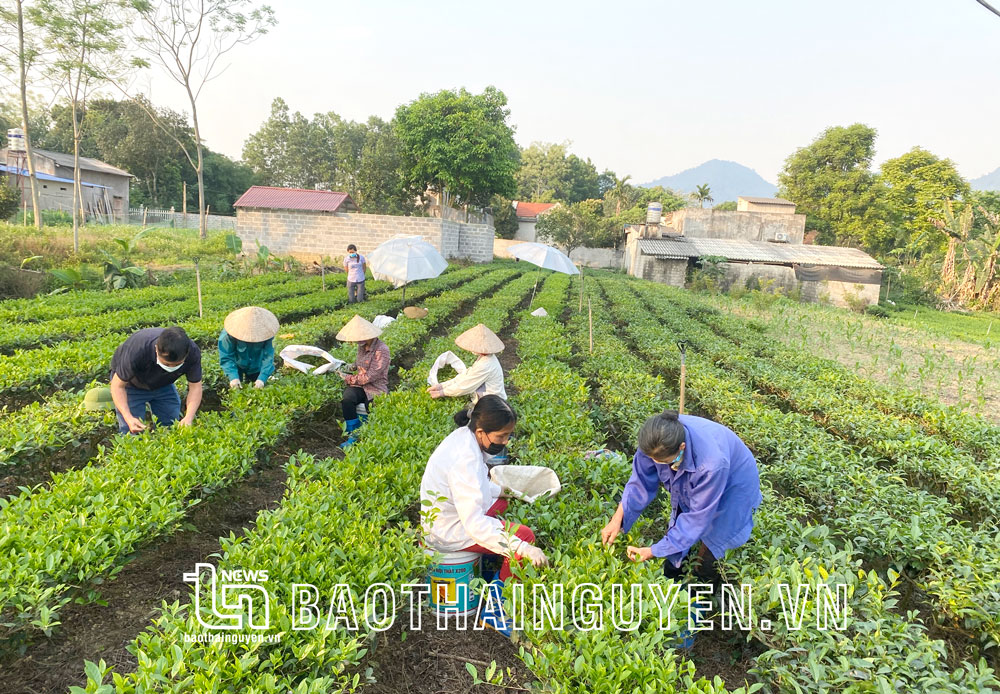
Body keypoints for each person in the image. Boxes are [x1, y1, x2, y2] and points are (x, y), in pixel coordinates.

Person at [420, 395, 548, 635]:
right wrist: (523, 548)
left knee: (500, 503)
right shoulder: (465, 459)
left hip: (449, 516)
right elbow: (475, 524)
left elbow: (477, 486)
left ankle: (493, 572)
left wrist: (506, 491)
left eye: (508, 435)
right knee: (525, 537)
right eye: (501, 436)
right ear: (481, 432)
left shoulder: (464, 437)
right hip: (449, 530)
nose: (506, 442)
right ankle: (495, 612)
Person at [601, 410, 761, 584]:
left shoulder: (711, 464)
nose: (657, 464)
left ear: (681, 447)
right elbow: (639, 483)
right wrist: (617, 519)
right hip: (700, 464)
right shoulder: (652, 440)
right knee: (681, 515)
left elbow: (696, 518)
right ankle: (675, 573)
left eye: (663, 462)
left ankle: (700, 587)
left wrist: (653, 551)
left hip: (735, 486)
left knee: (712, 543)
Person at [109, 326, 203, 435]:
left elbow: (195, 387)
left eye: (177, 365)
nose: (171, 367)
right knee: (132, 431)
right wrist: (128, 417)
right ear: (156, 349)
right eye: (167, 364)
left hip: (164, 385)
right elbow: (117, 386)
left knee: (170, 426)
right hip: (131, 386)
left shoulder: (193, 352)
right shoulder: (138, 349)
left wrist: (189, 417)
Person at [336, 314, 390, 448]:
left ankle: (372, 436)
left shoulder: (382, 350)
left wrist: (347, 378)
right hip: (360, 386)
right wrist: (351, 366)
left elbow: (370, 376)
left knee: (370, 406)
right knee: (347, 399)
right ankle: (353, 434)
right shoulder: (362, 346)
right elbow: (360, 362)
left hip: (376, 386)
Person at [426, 323, 507, 405]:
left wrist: (442, 393)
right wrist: (441, 386)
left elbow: (465, 386)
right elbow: (466, 376)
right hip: (489, 399)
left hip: (493, 403)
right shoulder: (485, 358)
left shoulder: (486, 364)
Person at [218, 306, 279, 389]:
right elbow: (226, 357)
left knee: (257, 387)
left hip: (256, 365)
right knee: (236, 386)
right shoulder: (227, 336)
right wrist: (233, 377)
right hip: (236, 365)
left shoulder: (266, 335)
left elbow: (268, 356)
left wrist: (262, 378)